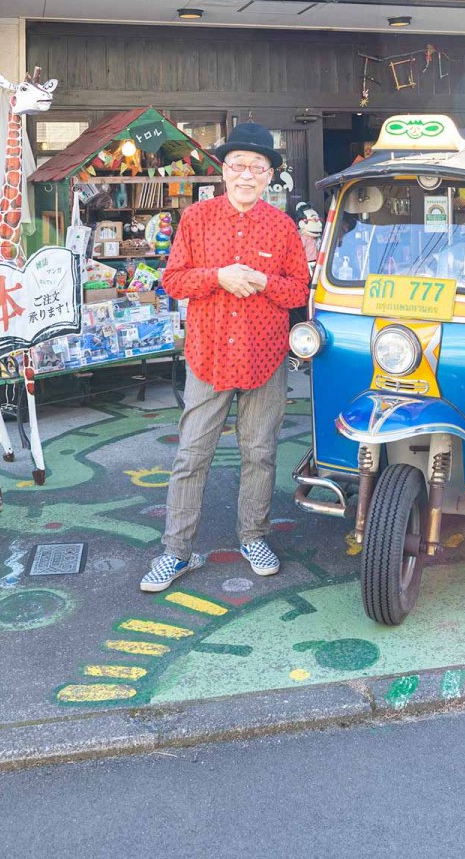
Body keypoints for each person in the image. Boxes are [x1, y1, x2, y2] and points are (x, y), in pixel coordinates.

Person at [140, 122, 310, 592]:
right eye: (238, 165)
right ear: (224, 170)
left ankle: (254, 537)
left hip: (265, 357)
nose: (247, 174)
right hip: (208, 355)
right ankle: (175, 552)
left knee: (260, 452)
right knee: (192, 454)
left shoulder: (282, 226)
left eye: (259, 167)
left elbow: (299, 290)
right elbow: (173, 281)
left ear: (270, 175)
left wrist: (261, 281)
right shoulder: (196, 220)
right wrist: (219, 276)